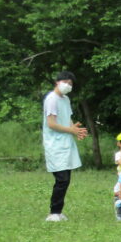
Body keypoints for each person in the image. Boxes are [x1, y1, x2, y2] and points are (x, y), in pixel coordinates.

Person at [41, 70, 87, 222]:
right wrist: (71, 130)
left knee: (66, 179)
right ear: (57, 82)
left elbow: (67, 119)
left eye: (70, 84)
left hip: (66, 143)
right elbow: (51, 124)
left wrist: (76, 130)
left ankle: (58, 212)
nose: (68, 85)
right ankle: (53, 213)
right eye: (65, 82)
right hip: (55, 144)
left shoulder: (65, 99)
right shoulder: (51, 99)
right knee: (61, 179)